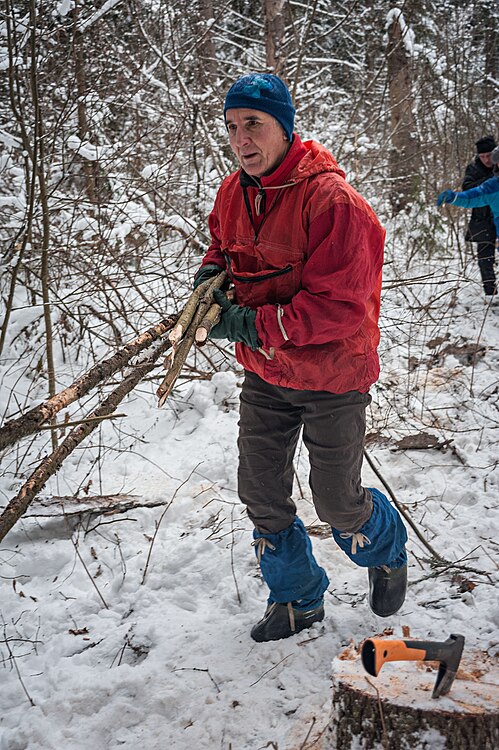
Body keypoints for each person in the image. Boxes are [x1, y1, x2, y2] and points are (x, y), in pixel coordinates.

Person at [193, 73, 408, 642]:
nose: (241, 139)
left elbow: (340, 306)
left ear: (284, 128)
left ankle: (384, 549)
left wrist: (248, 323)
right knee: (260, 492)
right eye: (233, 126)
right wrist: (212, 274)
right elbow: (222, 241)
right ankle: (297, 599)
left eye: (254, 125)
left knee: (337, 502)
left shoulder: (332, 201)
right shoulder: (233, 190)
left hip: (333, 374)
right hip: (267, 373)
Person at [438, 144, 499, 299]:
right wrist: (453, 197)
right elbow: (472, 196)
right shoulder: (493, 186)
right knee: (485, 259)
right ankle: (490, 292)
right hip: (485, 224)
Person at [461, 136, 497, 297]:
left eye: (488, 155)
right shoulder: (474, 169)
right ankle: (491, 293)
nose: (486, 160)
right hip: (482, 219)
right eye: (482, 156)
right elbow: (467, 189)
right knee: (485, 258)